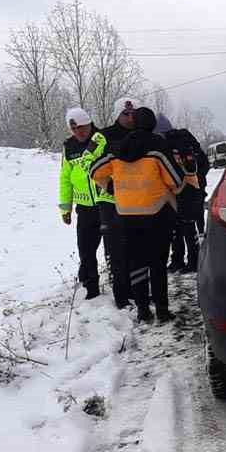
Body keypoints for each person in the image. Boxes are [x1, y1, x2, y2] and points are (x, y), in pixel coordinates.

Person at [90, 107, 182, 322]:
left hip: (126, 214)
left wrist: (110, 186)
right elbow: (176, 182)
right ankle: (162, 310)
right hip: (156, 212)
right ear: (152, 124)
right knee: (157, 263)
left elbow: (94, 171)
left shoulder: (116, 148)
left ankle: (142, 310)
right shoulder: (158, 146)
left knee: (136, 262)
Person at [58, 107, 111, 299]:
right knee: (86, 250)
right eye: (74, 129)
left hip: (106, 204)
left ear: (90, 124)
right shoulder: (69, 146)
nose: (79, 132)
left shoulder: (102, 139)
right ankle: (91, 288)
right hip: (84, 208)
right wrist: (65, 207)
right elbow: (65, 178)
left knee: (111, 249)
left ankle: (118, 283)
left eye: (82, 127)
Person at [95, 97, 141, 307]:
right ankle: (122, 297)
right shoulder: (104, 136)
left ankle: (138, 293)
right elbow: (90, 164)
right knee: (117, 250)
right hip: (111, 202)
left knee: (136, 248)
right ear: (117, 114)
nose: (130, 117)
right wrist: (110, 186)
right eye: (125, 114)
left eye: (133, 113)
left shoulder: (142, 134)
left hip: (137, 201)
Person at [153, 113, 207, 272]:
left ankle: (185, 261)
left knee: (181, 227)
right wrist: (199, 185)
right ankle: (187, 260)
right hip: (189, 190)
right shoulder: (185, 140)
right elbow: (203, 164)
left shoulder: (168, 145)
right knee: (184, 227)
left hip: (179, 191)